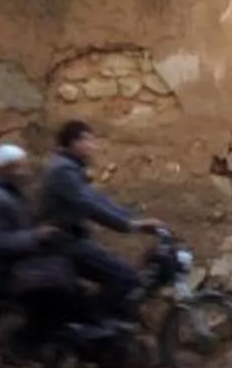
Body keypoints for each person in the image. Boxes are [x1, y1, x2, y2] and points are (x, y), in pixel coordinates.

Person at [37, 120, 159, 326]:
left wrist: (131, 218)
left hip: (69, 239)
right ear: (73, 142)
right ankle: (91, 327)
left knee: (121, 273)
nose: (93, 146)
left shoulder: (69, 168)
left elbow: (98, 200)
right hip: (62, 242)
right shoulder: (62, 171)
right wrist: (130, 226)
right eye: (87, 140)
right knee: (123, 276)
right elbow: (89, 205)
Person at [0, 142, 83, 333]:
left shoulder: (13, 196)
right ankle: (31, 340)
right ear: (8, 169)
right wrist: (34, 236)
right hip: (4, 271)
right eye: (22, 166)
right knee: (58, 282)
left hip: (19, 264)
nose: (28, 170)